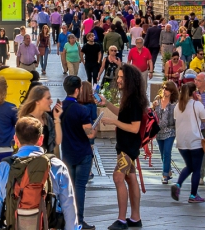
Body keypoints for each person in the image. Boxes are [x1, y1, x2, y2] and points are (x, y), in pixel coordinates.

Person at [0, 116, 77, 230]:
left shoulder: (3, 168)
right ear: (41, 139)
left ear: (16, 140)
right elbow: (68, 206)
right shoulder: (57, 166)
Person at [99, 64, 148, 230]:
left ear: (130, 80)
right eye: (118, 77)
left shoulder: (133, 100)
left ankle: (121, 220)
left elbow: (134, 127)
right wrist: (107, 104)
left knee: (118, 178)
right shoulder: (130, 98)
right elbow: (123, 114)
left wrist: (113, 122)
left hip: (128, 147)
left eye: (121, 78)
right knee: (130, 178)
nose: (118, 80)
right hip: (126, 146)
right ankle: (135, 218)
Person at [60, 76, 98, 230]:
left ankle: (68, 219)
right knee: (80, 187)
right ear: (77, 90)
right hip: (82, 153)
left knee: (69, 188)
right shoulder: (81, 110)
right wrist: (94, 129)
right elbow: (90, 134)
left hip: (67, 153)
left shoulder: (59, 107)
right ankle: (79, 220)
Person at [170, 82, 205, 204]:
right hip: (195, 141)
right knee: (196, 168)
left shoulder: (178, 106)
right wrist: (201, 102)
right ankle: (193, 195)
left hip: (181, 142)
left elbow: (177, 119)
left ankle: (178, 184)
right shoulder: (197, 105)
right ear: (194, 93)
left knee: (190, 166)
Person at [19, 86, 62, 154]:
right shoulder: (27, 121)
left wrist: (57, 118)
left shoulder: (47, 118)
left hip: (47, 160)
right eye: (48, 98)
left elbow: (58, 141)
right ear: (37, 101)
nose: (51, 101)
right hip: (34, 161)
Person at [152, 81, 178, 184]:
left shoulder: (174, 103)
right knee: (163, 153)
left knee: (167, 152)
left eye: (166, 89)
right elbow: (152, 114)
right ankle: (169, 170)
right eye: (163, 88)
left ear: (171, 91)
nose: (164, 90)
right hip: (159, 131)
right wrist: (153, 107)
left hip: (170, 130)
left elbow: (177, 117)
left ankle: (165, 175)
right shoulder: (157, 100)